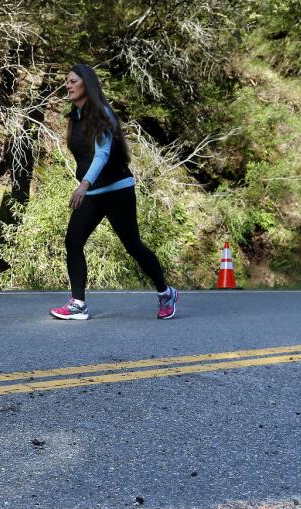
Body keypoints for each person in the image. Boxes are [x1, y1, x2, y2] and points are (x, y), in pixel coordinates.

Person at [49, 64, 178, 321]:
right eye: (67, 81)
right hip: (94, 193)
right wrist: (87, 184)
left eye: (73, 81)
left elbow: (103, 154)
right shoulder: (74, 118)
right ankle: (78, 304)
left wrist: (84, 184)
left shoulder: (103, 113)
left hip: (117, 189)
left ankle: (166, 293)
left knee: (132, 245)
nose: (68, 85)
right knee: (73, 242)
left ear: (87, 83)